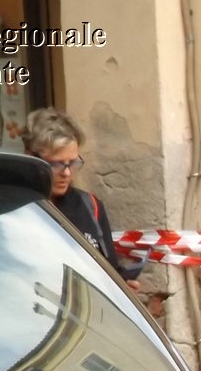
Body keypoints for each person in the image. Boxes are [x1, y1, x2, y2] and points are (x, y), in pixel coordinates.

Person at [22, 108, 143, 289]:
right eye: (56, 164)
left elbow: (109, 270)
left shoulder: (90, 206)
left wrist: (122, 287)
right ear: (31, 157)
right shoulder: (15, 207)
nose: (67, 173)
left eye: (73, 163)